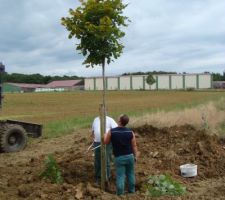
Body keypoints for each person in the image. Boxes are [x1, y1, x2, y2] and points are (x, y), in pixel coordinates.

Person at [104, 114, 138, 196]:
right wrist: (135, 156)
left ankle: (120, 194)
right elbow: (134, 146)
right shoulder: (130, 132)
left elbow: (106, 142)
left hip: (119, 157)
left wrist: (105, 135)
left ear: (119, 121)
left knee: (120, 176)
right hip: (130, 156)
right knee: (130, 174)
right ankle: (132, 192)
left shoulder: (112, 131)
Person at [92, 115, 117, 183]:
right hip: (97, 143)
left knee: (106, 160)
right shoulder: (95, 119)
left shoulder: (110, 120)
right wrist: (93, 139)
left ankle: (107, 177)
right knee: (97, 160)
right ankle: (98, 177)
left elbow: (115, 131)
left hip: (107, 144)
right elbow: (93, 131)